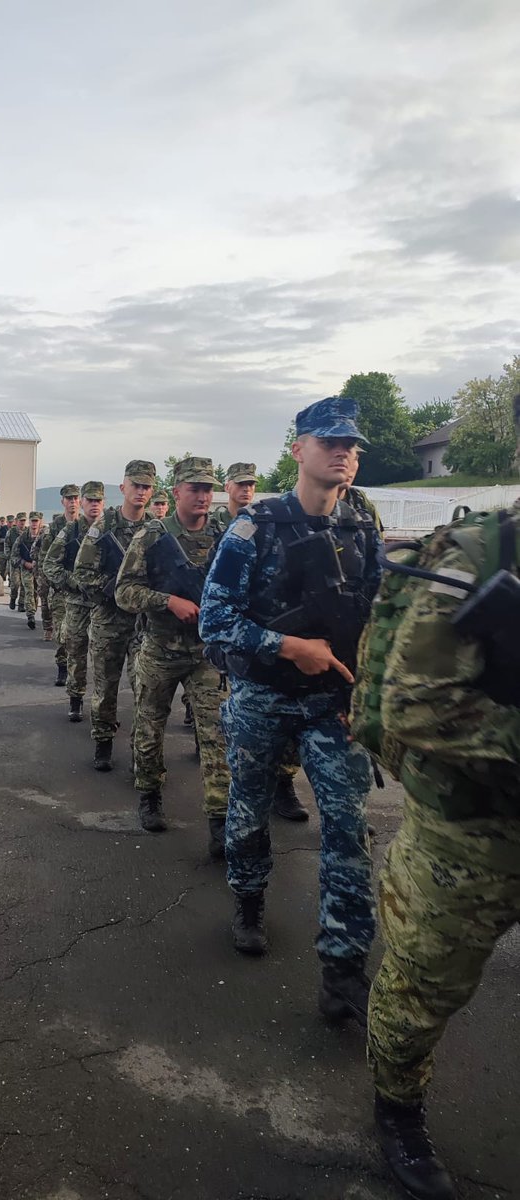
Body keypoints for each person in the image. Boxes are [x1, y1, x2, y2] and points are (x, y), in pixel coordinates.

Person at [362, 395, 520, 1200]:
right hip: (471, 835)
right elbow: (412, 705)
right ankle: (396, 1105)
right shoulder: (475, 554)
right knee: (425, 987)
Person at [199, 397, 380, 1028]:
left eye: (352, 445)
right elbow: (216, 621)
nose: (344, 453)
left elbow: (378, 618)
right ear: (298, 448)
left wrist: (367, 698)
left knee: (349, 828)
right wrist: (288, 647)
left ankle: (343, 966)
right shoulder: (256, 526)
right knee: (248, 810)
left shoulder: (363, 523)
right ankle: (248, 901)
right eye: (330, 441)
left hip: (333, 704)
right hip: (263, 696)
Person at [115, 457, 229, 851]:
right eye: (194, 488)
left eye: (207, 489)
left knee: (217, 734)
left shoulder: (224, 535)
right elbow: (125, 592)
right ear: (176, 491)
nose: (202, 495)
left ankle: (219, 819)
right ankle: (149, 795)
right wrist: (167, 601)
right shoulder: (151, 536)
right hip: (160, 649)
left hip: (206, 654)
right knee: (150, 728)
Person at [222, 462, 310, 824]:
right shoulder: (229, 528)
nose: (246, 490)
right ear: (227, 487)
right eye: (240, 484)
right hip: (233, 637)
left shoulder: (275, 524)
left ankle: (284, 783)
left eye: (251, 484)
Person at [73, 461, 156, 771]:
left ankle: (142, 750)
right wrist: (107, 590)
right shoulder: (103, 527)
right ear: (123, 488)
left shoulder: (155, 529)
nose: (141, 491)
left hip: (143, 625)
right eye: (136, 485)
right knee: (106, 686)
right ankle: (103, 740)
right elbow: (82, 573)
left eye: (146, 486)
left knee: (143, 689)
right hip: (108, 619)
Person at [43, 482, 104, 721]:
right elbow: (50, 564)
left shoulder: (110, 529)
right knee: (76, 652)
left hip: (104, 603)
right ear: (83, 502)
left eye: (98, 500)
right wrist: (73, 582)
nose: (94, 504)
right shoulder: (70, 531)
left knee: (103, 657)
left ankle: (102, 704)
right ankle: (76, 698)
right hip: (77, 602)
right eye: (90, 500)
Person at [38, 488, 77, 686]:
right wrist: (56, 582)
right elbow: (47, 559)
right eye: (69, 498)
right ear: (62, 501)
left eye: (76, 498)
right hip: (62, 588)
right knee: (62, 631)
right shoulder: (54, 528)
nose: (73, 502)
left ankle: (77, 673)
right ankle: (62, 666)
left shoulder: (89, 526)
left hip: (85, 591)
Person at [11, 511, 43, 629]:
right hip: (26, 568)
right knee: (29, 589)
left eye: (36, 521)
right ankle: (31, 615)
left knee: (36, 592)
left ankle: (32, 609)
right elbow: (14, 556)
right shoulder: (22, 538)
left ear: (40, 522)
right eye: (32, 521)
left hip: (39, 569)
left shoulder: (44, 536)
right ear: (29, 522)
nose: (34, 524)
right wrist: (25, 563)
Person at [5, 513, 27, 609]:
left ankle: (21, 603)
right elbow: (6, 545)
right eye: (20, 521)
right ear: (16, 521)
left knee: (24, 583)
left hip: (25, 562)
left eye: (24, 521)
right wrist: (9, 557)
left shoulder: (27, 532)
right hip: (14, 562)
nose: (22, 523)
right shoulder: (11, 532)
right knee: (15, 584)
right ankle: (13, 598)